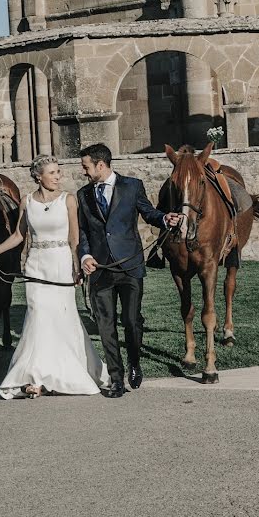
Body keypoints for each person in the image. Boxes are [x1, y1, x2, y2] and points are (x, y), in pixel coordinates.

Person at [0, 155, 109, 399]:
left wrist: (77, 265)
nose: (58, 176)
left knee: (60, 319)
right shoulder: (27, 201)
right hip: (36, 265)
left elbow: (75, 239)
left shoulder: (68, 200)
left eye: (59, 172)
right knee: (37, 318)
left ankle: (66, 372)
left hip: (60, 264)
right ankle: (34, 377)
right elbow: (18, 235)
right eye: (53, 172)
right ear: (39, 176)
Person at [77, 143, 182, 398]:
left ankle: (134, 362)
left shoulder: (132, 186)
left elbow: (149, 213)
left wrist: (164, 219)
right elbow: (83, 232)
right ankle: (116, 378)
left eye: (86, 167)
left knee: (132, 322)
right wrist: (85, 256)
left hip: (131, 265)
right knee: (105, 324)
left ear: (100, 165)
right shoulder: (83, 195)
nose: (84, 172)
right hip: (100, 269)